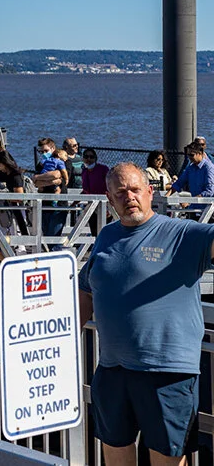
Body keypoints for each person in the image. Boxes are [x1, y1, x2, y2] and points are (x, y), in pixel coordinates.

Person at [78, 163, 214, 466]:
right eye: (121, 192)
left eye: (136, 189)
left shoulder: (183, 234)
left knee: (168, 460)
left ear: (150, 192)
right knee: (115, 457)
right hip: (112, 371)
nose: (130, 197)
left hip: (166, 374)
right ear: (110, 199)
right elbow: (87, 287)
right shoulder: (106, 237)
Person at [33, 137, 68, 238]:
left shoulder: (63, 160)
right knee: (46, 238)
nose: (44, 153)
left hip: (59, 205)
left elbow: (57, 175)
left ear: (53, 149)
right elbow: (36, 183)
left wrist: (39, 178)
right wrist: (49, 180)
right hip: (44, 204)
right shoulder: (41, 164)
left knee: (54, 238)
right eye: (41, 151)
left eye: (46, 151)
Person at [0, 150, 30, 238]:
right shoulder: (4, 174)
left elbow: (20, 197)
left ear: (5, 163)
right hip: (6, 208)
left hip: (16, 208)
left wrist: (3, 196)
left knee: (17, 235)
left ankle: (20, 250)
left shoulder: (16, 176)